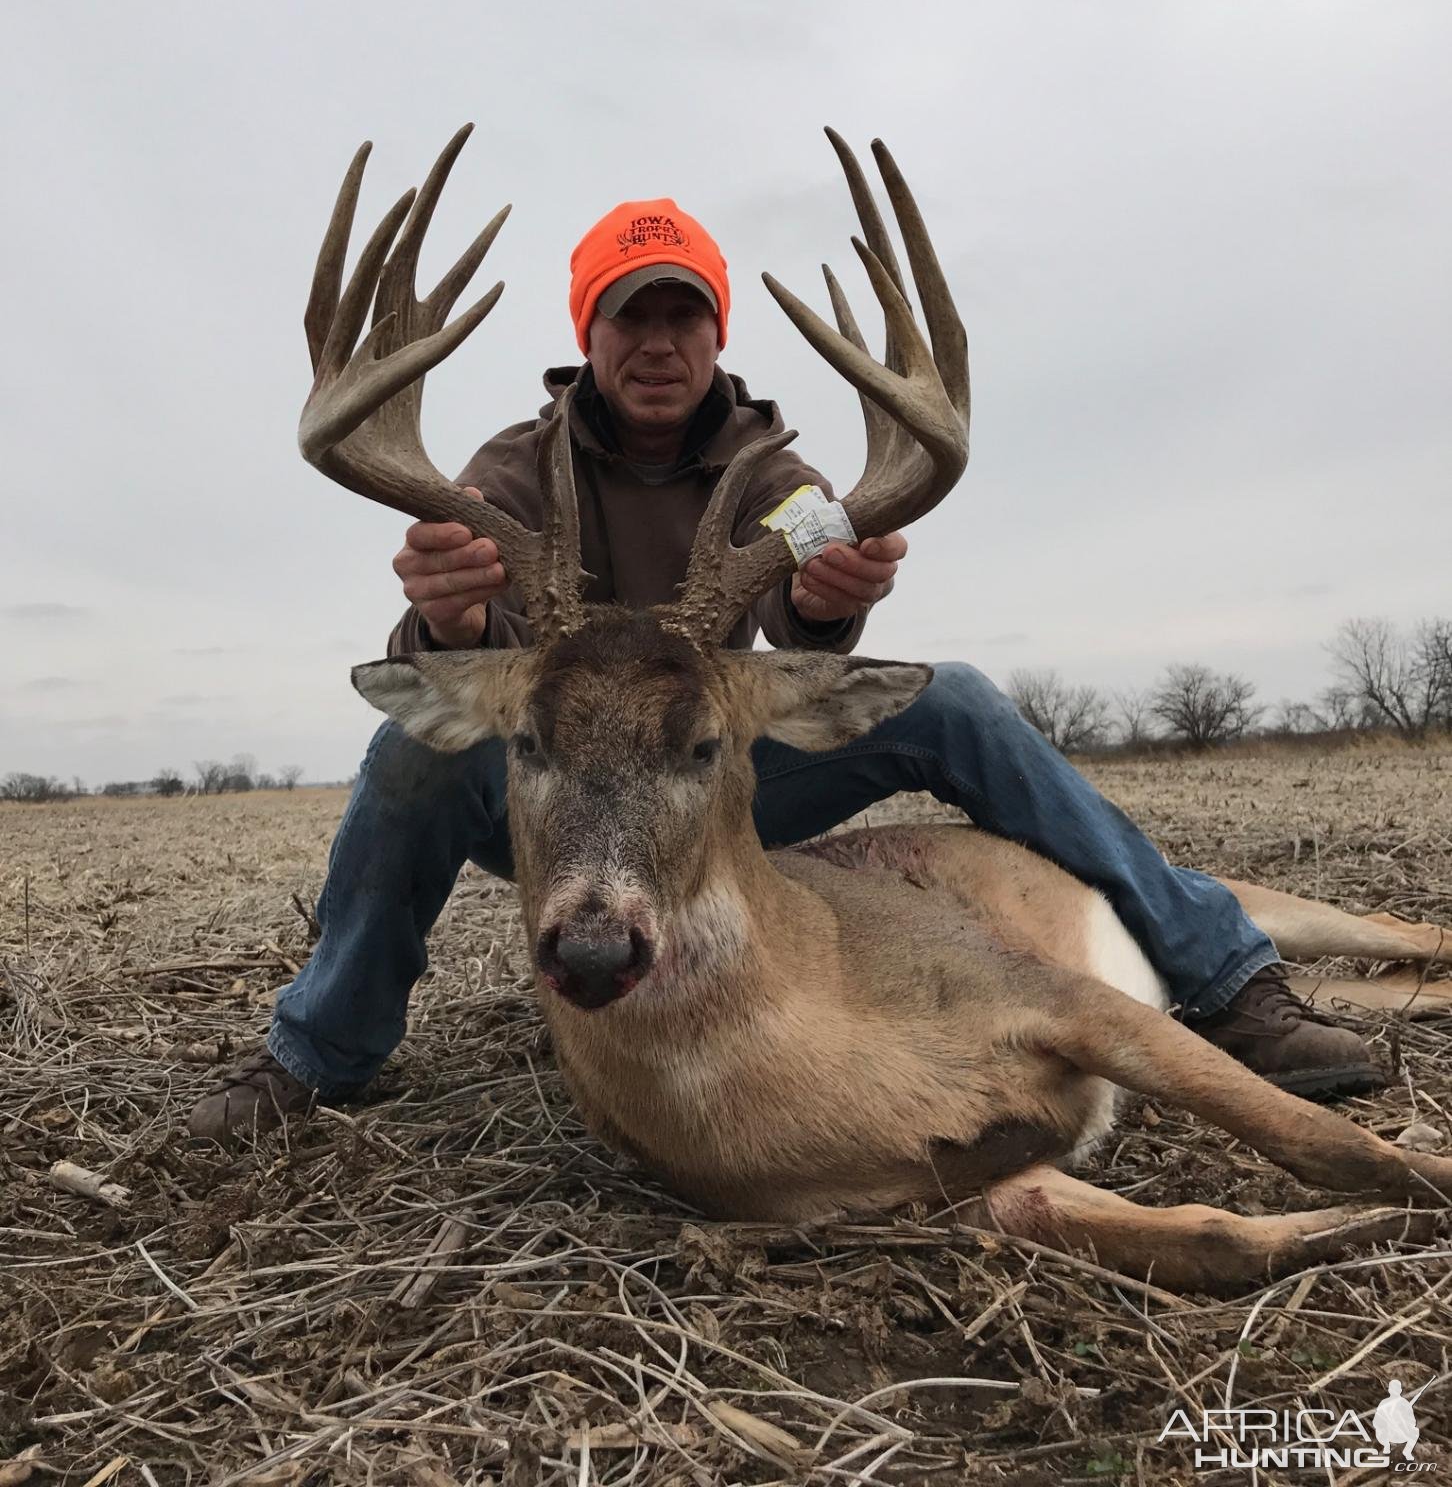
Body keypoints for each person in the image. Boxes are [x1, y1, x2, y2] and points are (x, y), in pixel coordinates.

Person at [190, 196, 1382, 1141]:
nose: (657, 343)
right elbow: (465, 654)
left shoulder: (777, 480)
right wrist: (447, 622)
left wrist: (824, 604)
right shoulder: (507, 476)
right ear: (586, 336)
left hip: (708, 775)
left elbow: (817, 595)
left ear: (717, 335)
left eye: (683, 317)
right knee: (409, 754)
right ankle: (320, 1050)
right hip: (552, 793)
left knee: (955, 698)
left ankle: (1230, 982)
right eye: (628, 318)